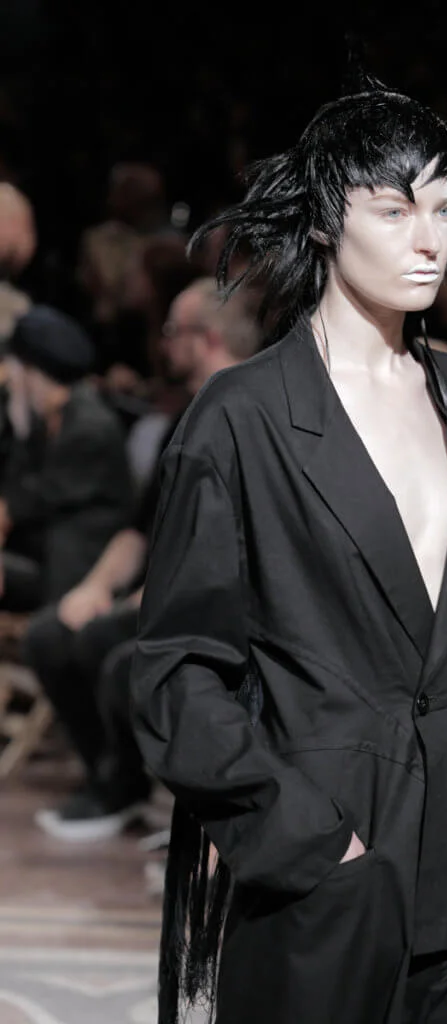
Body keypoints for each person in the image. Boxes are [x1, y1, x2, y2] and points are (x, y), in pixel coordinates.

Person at [130, 80, 447, 1024]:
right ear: (322, 219)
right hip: (331, 858)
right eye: (393, 209)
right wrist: (304, 835)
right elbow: (176, 671)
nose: (429, 240)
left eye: (445, 209)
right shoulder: (242, 417)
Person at [21, 278, 263, 841]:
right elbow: (139, 527)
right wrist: (95, 586)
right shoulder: (185, 418)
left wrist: (151, 596)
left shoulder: (249, 415)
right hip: (163, 592)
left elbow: (235, 542)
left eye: (174, 331)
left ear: (206, 339)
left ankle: (145, 792)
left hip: (218, 605)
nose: (164, 343)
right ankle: (112, 781)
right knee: (53, 633)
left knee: (114, 657)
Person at [0, 305, 132, 612]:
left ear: (32, 372)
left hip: (79, 570)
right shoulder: (40, 419)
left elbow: (34, 498)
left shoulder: (90, 427)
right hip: (45, 552)